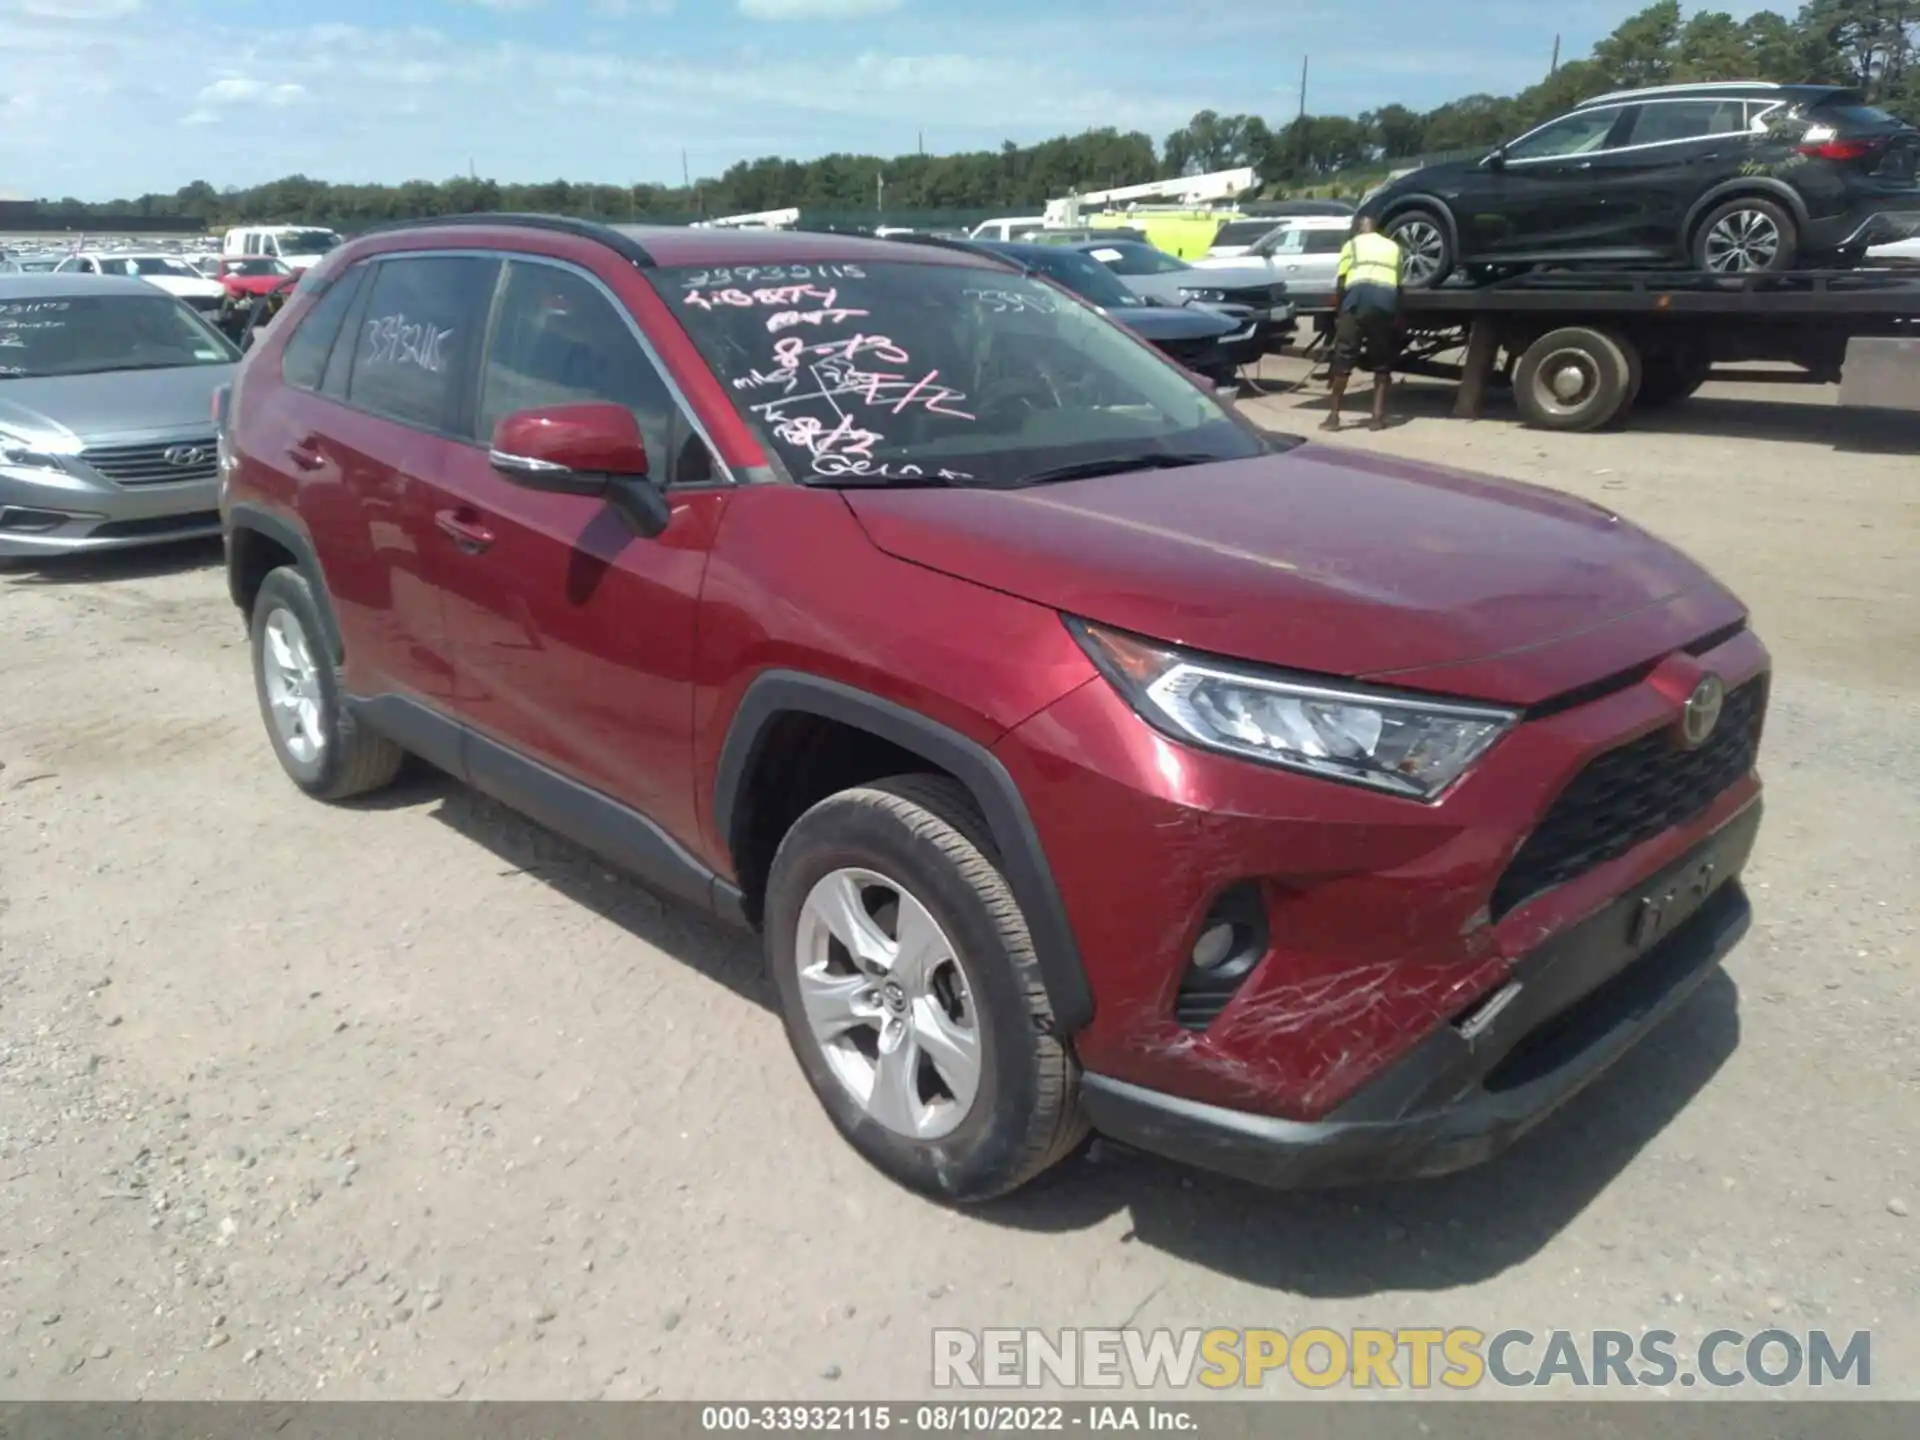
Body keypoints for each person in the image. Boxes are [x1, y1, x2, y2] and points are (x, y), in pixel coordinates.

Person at [1323, 216, 1403, 432]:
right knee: (1382, 360)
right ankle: (1377, 418)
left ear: (1359, 229)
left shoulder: (1352, 245)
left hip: (1358, 301)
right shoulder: (1393, 247)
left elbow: (1342, 280)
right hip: (1385, 303)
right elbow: (1399, 283)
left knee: (1344, 358)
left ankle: (1333, 417)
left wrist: (1340, 311)